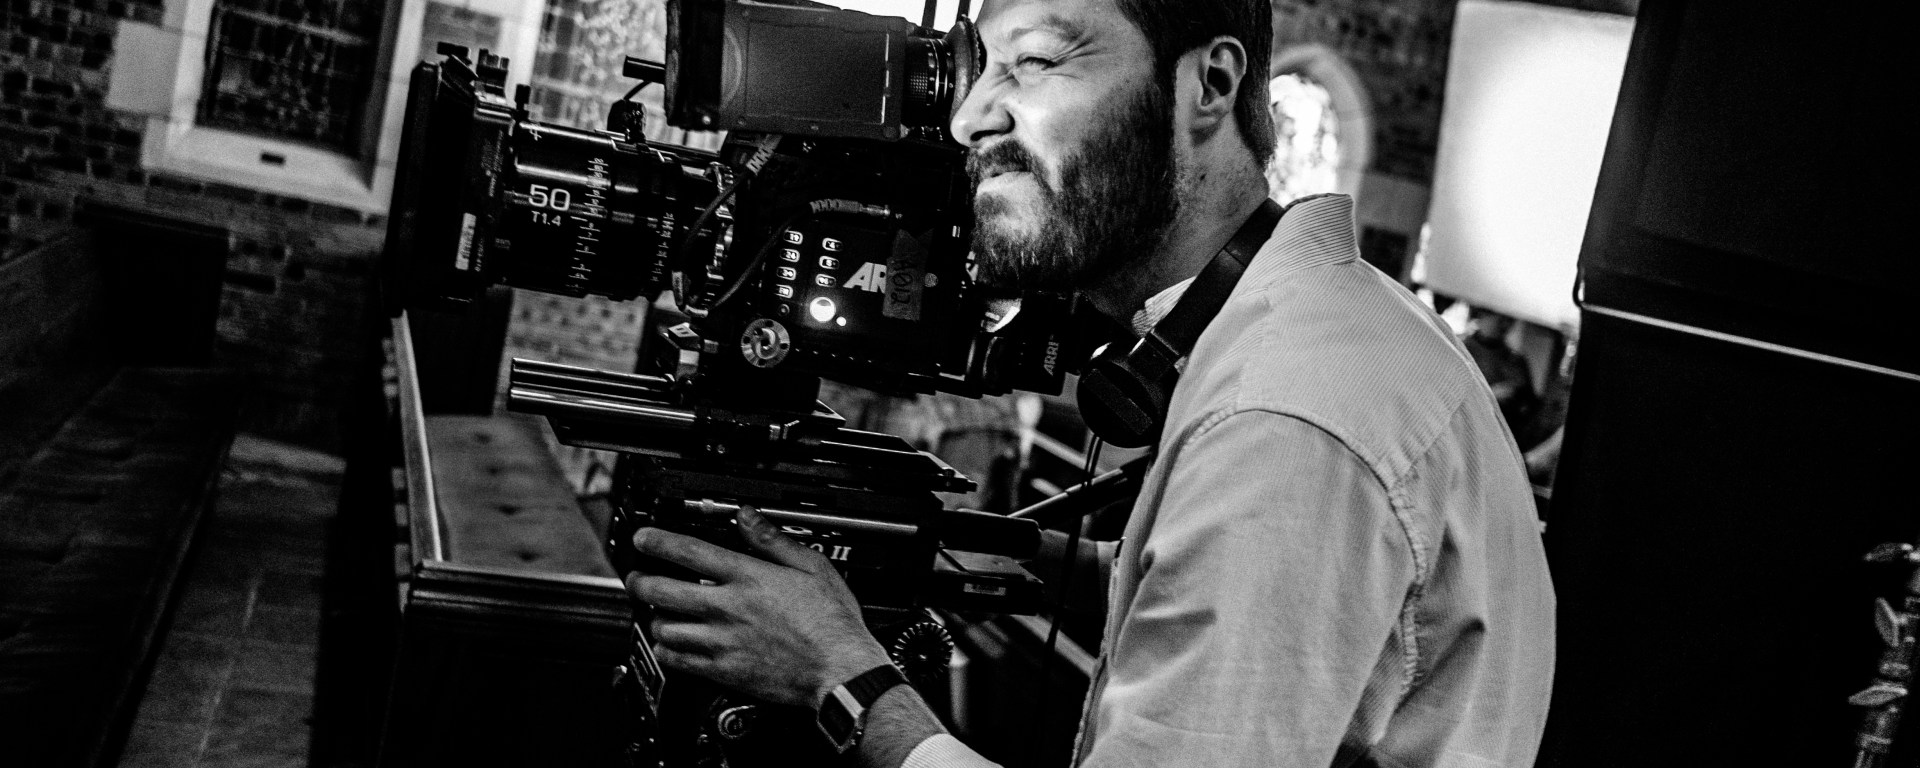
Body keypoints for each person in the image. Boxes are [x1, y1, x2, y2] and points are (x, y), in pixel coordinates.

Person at [622, 0, 1557, 765]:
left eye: (1035, 62)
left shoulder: (1287, 422)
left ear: (1208, 85)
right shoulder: (1323, 331)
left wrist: (843, 679)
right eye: (979, 66)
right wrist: (1028, 556)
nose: (969, 119)